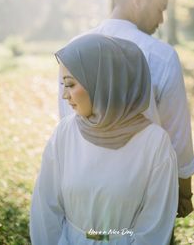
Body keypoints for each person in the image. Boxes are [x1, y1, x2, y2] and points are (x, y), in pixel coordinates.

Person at [58, 0, 194, 219]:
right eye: (160, 9)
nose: (161, 20)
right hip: (146, 190)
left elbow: (67, 119)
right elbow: (177, 134)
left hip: (83, 191)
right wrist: (184, 192)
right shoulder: (161, 56)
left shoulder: (73, 49)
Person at [30, 34, 178, 245]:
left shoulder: (154, 144)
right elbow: (45, 210)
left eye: (70, 84)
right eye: (63, 84)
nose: (64, 95)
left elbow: (155, 227)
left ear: (103, 82)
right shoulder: (65, 133)